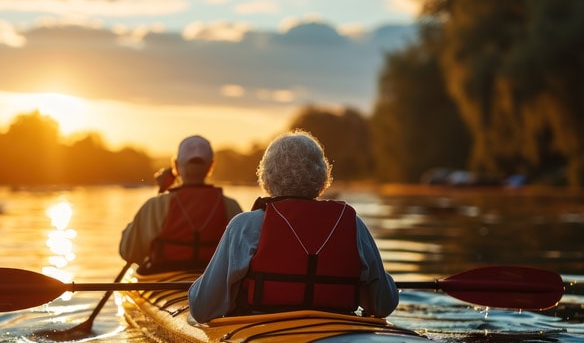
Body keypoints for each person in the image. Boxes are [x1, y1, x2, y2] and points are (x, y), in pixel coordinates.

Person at [188, 130, 398, 322]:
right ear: (322, 175)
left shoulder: (246, 225)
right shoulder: (353, 224)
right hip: (339, 329)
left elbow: (202, 308)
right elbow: (384, 304)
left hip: (262, 331)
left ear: (267, 175)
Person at [119, 135, 243, 273]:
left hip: (164, 284)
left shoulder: (156, 206)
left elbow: (129, 252)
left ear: (176, 166)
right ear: (211, 166)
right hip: (215, 284)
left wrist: (161, 192)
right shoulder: (231, 206)